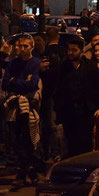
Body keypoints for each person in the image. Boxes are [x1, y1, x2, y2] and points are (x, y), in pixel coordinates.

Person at [1, 34, 41, 184]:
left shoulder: (35, 63)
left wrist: (15, 82)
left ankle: (29, 170)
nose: (22, 49)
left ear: (32, 47)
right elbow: (5, 84)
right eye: (21, 46)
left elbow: (33, 85)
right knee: (17, 138)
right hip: (16, 105)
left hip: (29, 105)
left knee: (30, 138)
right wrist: (23, 81)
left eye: (26, 46)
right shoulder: (13, 63)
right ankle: (25, 170)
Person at [55, 38, 99, 157]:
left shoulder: (90, 67)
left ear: (81, 51)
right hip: (69, 112)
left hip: (86, 112)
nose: (71, 52)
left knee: (85, 142)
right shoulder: (64, 67)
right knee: (70, 141)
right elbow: (59, 89)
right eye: (69, 50)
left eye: (74, 50)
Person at [39, 27, 64, 161]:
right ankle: (55, 151)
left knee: (46, 123)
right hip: (57, 91)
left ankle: (47, 150)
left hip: (46, 92)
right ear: (58, 37)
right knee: (52, 123)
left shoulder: (45, 53)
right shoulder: (63, 51)